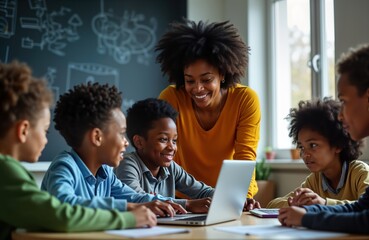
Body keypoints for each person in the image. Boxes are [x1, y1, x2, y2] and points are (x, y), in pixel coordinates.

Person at [0, 61, 156, 240]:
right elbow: (61, 215)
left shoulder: (9, 171)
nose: (46, 139)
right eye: (44, 130)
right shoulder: (5, 171)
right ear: (23, 131)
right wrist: (127, 217)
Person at [155, 19, 261, 209]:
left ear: (222, 73)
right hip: (186, 201)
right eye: (190, 80)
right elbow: (161, 154)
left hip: (233, 197)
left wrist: (239, 200)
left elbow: (245, 156)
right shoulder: (171, 97)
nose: (198, 88)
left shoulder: (245, 99)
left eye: (206, 79)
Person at [41, 82, 186, 217]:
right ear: (97, 137)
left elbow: (136, 198)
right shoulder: (64, 166)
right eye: (121, 133)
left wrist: (184, 204)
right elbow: (63, 204)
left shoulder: (106, 173)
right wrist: (127, 207)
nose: (126, 142)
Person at [278, 43, 369, 234]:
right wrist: (307, 210)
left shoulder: (358, 171)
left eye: (344, 101)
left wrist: (308, 216)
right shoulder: (315, 179)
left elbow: (364, 219)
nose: (341, 115)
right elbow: (360, 208)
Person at [115, 98, 213, 213]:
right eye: (163, 139)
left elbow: (202, 191)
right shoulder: (127, 163)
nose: (172, 147)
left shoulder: (170, 167)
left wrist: (228, 198)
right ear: (139, 142)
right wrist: (187, 204)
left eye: (174, 140)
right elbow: (135, 198)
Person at [267, 98, 368, 209]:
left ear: (337, 144)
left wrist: (324, 203)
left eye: (313, 145)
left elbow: (365, 208)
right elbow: (272, 205)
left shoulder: (360, 172)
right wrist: (293, 202)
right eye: (301, 147)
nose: (305, 155)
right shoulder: (315, 180)